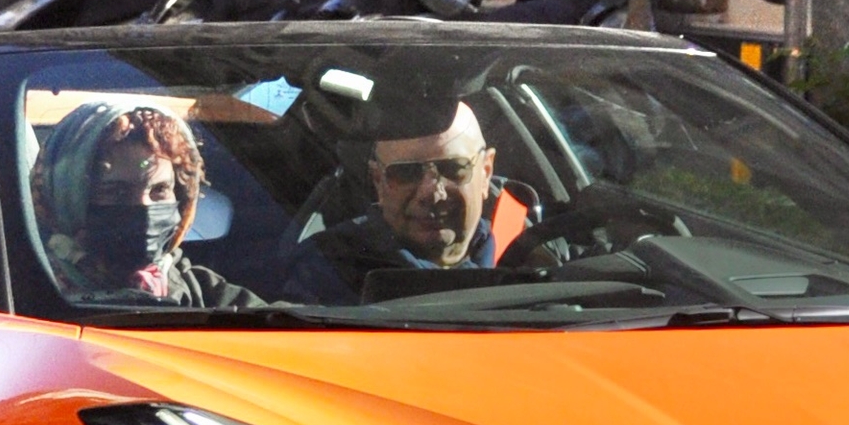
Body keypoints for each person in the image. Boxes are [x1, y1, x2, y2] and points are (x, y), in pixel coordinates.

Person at [34, 103, 260, 307]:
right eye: (116, 192)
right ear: (65, 196)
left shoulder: (196, 288)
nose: (144, 207)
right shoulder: (23, 293)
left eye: (159, 190)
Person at [302, 98, 528, 298]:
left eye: (453, 168)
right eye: (405, 173)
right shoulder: (324, 270)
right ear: (378, 181)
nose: (431, 193)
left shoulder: (530, 258)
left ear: (486, 172)